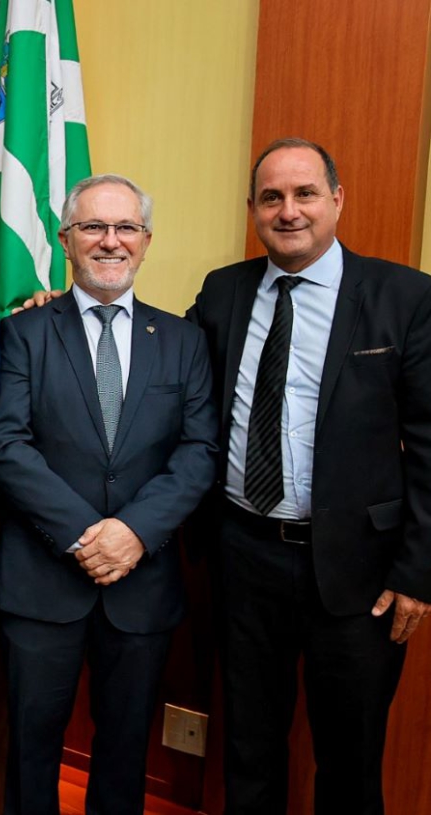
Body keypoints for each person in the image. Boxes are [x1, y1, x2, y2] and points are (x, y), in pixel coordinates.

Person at [186, 138, 431, 814]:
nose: (288, 211)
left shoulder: (404, 297)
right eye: (271, 197)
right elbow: (166, 374)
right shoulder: (223, 290)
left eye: (304, 194)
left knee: (350, 759)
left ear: (336, 200)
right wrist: (69, 307)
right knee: (249, 745)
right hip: (244, 556)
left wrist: (417, 570)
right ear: (253, 210)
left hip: (360, 572)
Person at [0, 174, 217, 814]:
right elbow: (4, 444)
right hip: (42, 582)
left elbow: (199, 452)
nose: (109, 242)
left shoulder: (184, 342)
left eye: (125, 229)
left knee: (124, 754)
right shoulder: (22, 334)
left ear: (145, 242)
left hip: (141, 587)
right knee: (32, 753)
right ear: (65, 240)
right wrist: (88, 534)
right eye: (93, 227)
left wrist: (134, 532)